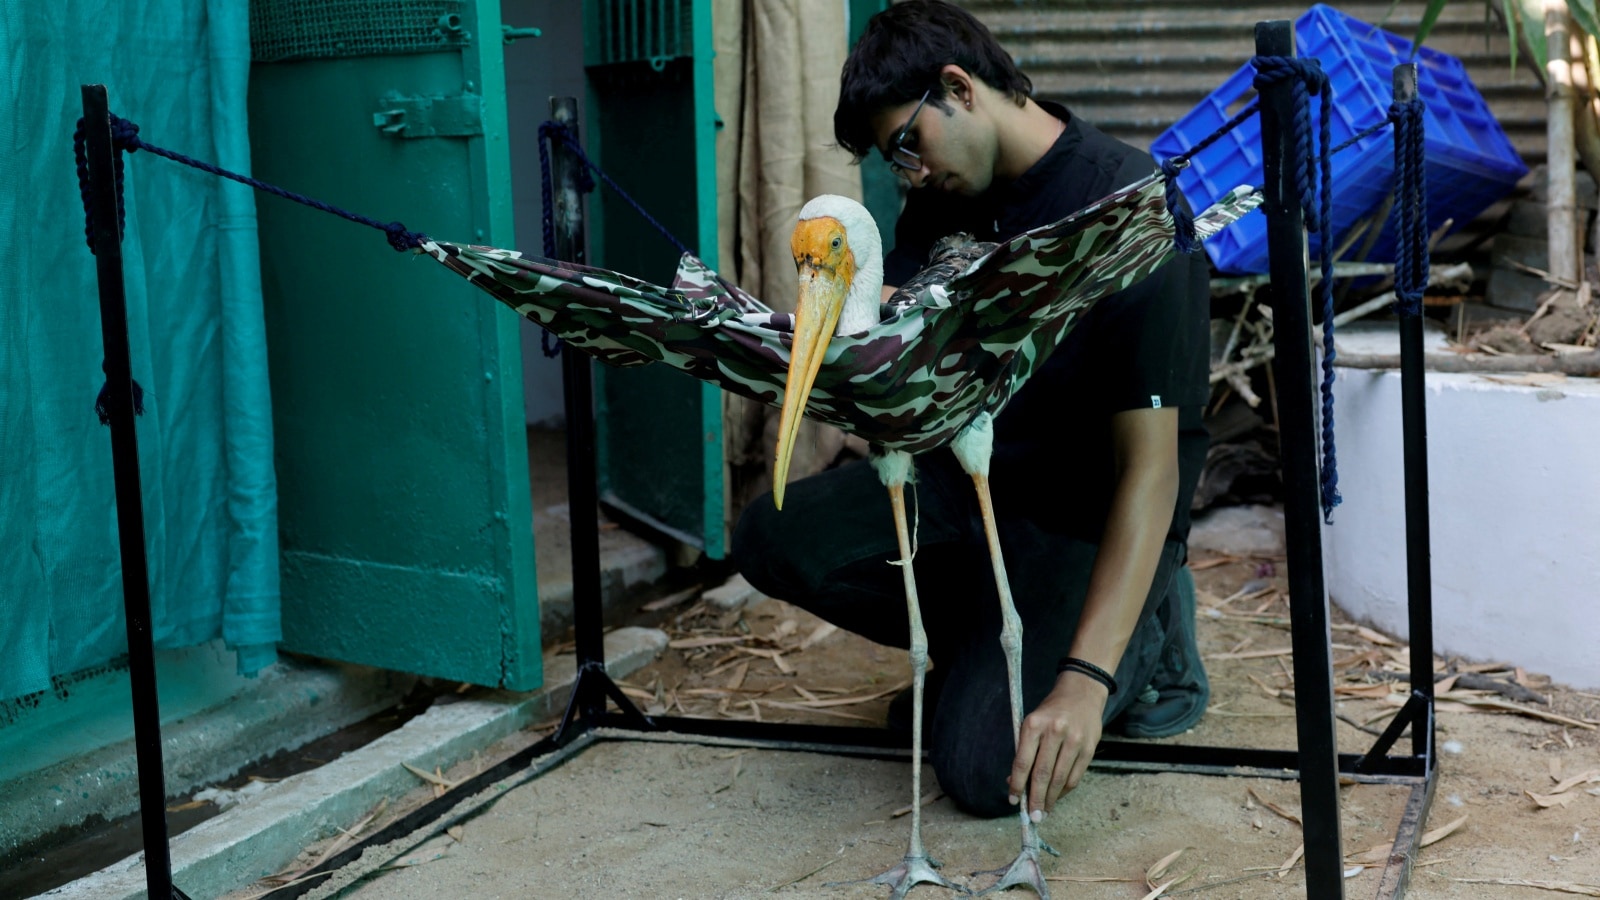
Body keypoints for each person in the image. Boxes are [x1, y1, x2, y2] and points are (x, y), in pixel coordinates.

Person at [732, 0, 1211, 823]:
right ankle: (987, 664)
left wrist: (1084, 685)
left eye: (906, 145)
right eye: (894, 163)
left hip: (1080, 522)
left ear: (958, 88)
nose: (909, 174)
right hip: (969, 488)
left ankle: (1152, 634)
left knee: (987, 773)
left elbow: (1153, 470)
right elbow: (918, 340)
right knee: (772, 534)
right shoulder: (945, 196)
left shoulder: (1128, 209)